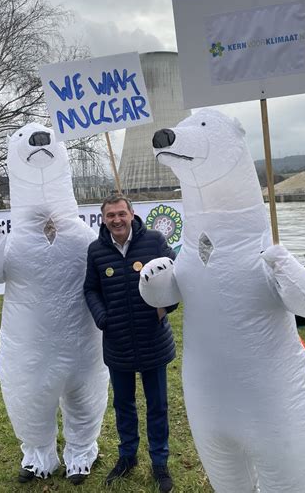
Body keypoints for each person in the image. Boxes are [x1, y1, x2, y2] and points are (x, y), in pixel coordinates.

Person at [84, 194, 178, 492]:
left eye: (121, 213)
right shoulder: (96, 251)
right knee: (124, 405)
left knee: (158, 405)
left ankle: (160, 462)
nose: (116, 220)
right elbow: (90, 289)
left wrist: (165, 309)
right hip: (118, 342)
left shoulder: (154, 241)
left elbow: (177, 280)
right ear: (103, 218)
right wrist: (103, 318)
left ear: (132, 214)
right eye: (110, 215)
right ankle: (127, 457)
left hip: (153, 339)